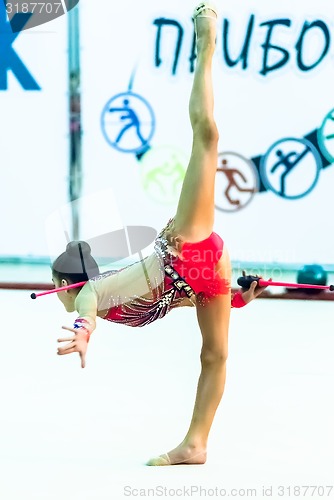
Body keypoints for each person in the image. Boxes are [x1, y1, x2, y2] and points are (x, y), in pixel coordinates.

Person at [53, 3, 267, 466]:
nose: (58, 294)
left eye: (57, 289)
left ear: (64, 286)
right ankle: (196, 444)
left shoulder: (96, 293)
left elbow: (87, 300)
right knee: (215, 356)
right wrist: (236, 298)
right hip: (200, 278)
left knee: (207, 136)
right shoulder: (119, 301)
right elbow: (169, 300)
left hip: (184, 247)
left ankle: (205, 45)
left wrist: (82, 328)